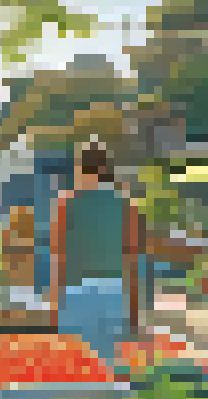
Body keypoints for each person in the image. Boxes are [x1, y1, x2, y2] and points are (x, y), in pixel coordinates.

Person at [50, 142, 140, 376]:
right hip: (113, 291)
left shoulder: (66, 201)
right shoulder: (124, 203)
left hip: (76, 292)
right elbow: (131, 257)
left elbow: (58, 256)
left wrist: (54, 303)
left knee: (76, 371)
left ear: (80, 167)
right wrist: (133, 307)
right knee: (110, 369)